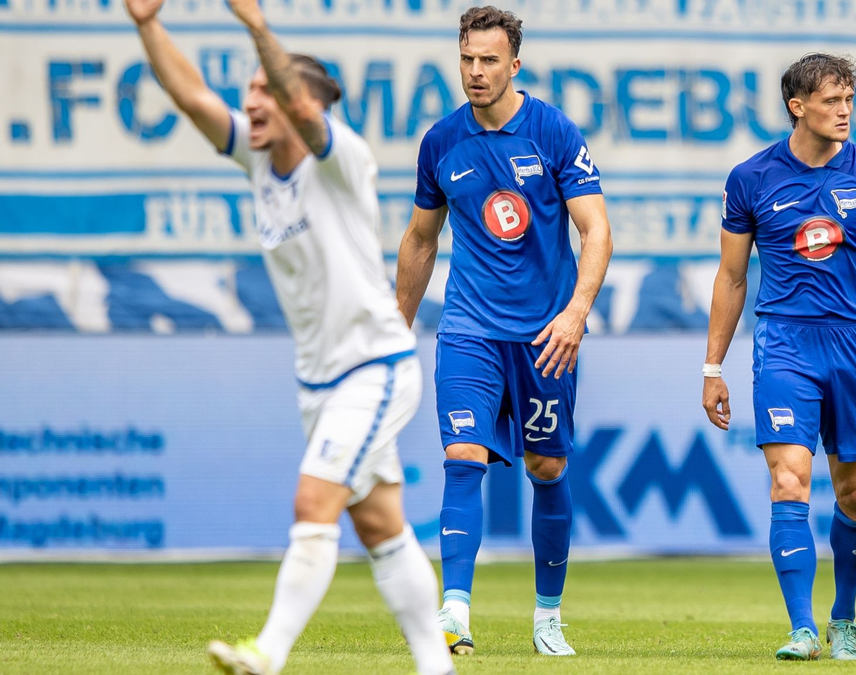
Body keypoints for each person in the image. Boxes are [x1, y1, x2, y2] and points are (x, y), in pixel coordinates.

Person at [122, 1, 455, 674]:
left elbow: (304, 111)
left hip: (375, 365)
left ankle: (267, 653)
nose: (251, 105)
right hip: (322, 380)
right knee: (382, 527)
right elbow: (189, 94)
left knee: (313, 500)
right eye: (246, 94)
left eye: (263, 92)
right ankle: (436, 665)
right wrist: (146, 25)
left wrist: (258, 28)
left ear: (301, 102)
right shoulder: (256, 159)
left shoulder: (342, 159)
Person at [394, 5, 613, 658]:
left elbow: (596, 230)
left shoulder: (552, 131)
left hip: (547, 336)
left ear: (515, 64)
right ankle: (454, 609)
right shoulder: (441, 142)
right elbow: (420, 240)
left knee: (548, 466)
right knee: (462, 458)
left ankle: (548, 615)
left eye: (489, 60)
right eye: (466, 59)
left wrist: (575, 312)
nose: (476, 71)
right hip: (470, 329)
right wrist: (390, 330)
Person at [702, 53, 856, 661]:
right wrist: (712, 367)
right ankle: (801, 628)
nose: (845, 111)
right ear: (798, 107)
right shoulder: (750, 178)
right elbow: (730, 278)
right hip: (784, 344)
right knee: (789, 479)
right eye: (832, 101)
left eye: (850, 100)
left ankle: (842, 616)